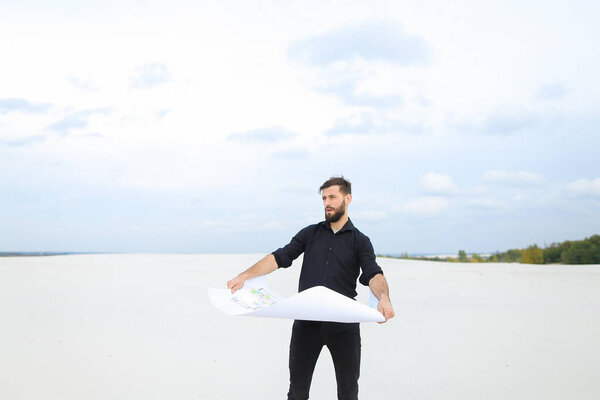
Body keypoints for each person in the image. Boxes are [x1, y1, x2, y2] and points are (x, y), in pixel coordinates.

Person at [227, 176, 394, 400]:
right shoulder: (310, 233)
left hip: (344, 326)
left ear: (348, 198)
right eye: (324, 198)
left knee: (348, 393)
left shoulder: (360, 241)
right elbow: (280, 257)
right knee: (297, 392)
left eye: (333, 197)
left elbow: (373, 274)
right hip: (306, 324)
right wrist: (244, 276)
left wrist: (384, 297)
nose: (327, 202)